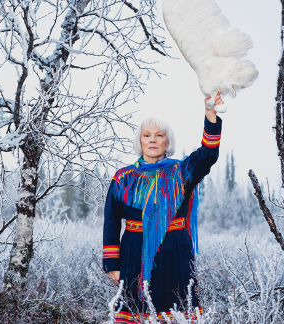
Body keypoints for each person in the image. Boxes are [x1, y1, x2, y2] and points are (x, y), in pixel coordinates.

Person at [103, 94, 223, 323]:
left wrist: (210, 116)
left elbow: (208, 155)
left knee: (177, 310)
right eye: (147, 135)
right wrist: (112, 264)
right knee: (135, 310)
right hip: (134, 253)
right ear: (140, 141)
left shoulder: (181, 172)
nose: (153, 140)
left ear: (167, 142)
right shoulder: (123, 178)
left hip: (175, 251)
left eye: (159, 135)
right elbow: (111, 221)